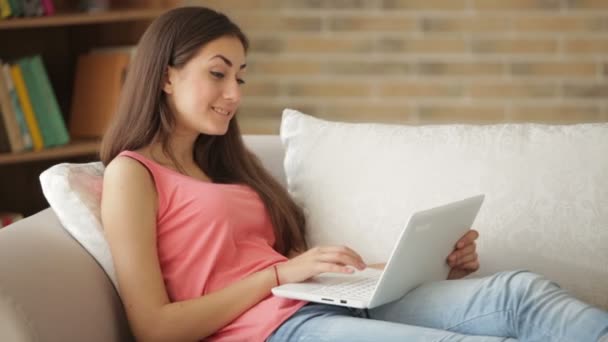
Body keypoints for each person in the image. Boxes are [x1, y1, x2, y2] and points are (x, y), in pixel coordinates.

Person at [100, 6, 608, 342]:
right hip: (273, 332)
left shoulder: (227, 168)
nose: (234, 92)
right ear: (166, 75)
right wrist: (278, 275)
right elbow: (154, 328)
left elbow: (281, 266)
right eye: (218, 73)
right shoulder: (132, 174)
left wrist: (425, 266)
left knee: (520, 292)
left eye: (240, 76)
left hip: (322, 301)